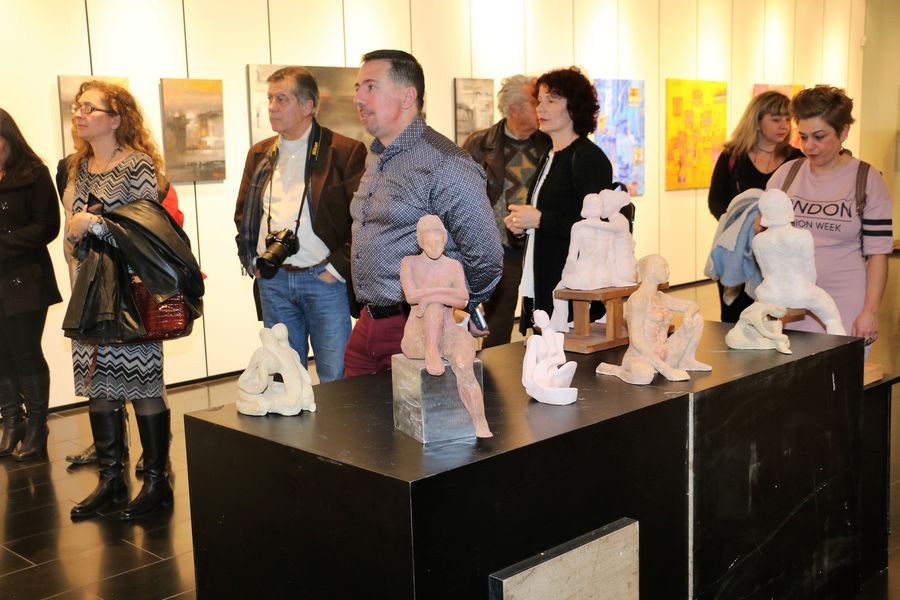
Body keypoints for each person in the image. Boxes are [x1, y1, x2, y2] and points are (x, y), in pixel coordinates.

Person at [345, 49, 503, 377]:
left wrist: (451, 310)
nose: (358, 98)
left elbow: (486, 257)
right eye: (358, 88)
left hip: (417, 329)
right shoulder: (376, 156)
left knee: (413, 414)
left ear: (408, 96)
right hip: (367, 325)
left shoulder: (447, 164)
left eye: (371, 87)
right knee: (352, 411)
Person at [64, 81, 175, 521]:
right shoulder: (78, 166)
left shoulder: (138, 165)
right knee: (98, 387)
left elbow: (147, 229)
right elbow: (70, 229)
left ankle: (157, 484)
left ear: (115, 119)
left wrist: (92, 225)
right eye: (78, 107)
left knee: (142, 385)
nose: (80, 113)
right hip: (90, 293)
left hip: (129, 292)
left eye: (90, 107)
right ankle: (111, 482)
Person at [235, 67, 367, 383]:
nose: (272, 107)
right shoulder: (260, 153)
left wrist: (337, 268)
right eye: (270, 99)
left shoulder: (343, 152)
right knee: (284, 378)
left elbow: (363, 220)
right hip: (273, 280)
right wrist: (253, 259)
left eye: (282, 99)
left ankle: (336, 422)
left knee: (335, 376)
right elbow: (244, 213)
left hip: (324, 280)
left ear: (308, 106)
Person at [766, 85, 893, 343]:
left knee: (841, 368)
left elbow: (878, 253)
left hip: (845, 304)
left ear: (843, 131)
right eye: (803, 137)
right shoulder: (786, 176)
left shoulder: (867, 180)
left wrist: (870, 312)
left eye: (819, 136)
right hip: (791, 306)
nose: (809, 146)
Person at [504, 67, 614, 335]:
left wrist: (540, 220)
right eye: (539, 100)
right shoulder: (550, 154)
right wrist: (523, 226)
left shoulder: (587, 158)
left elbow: (598, 228)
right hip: (547, 281)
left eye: (551, 100)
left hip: (573, 289)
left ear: (574, 107)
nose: (540, 108)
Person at [462, 75, 550, 347]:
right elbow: (462, 196)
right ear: (514, 108)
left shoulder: (548, 142)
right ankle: (493, 373)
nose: (541, 108)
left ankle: (547, 367)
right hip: (500, 250)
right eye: (534, 102)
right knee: (498, 324)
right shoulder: (480, 144)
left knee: (547, 319)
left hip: (540, 245)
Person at [707, 91, 804, 322]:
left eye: (787, 119)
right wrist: (743, 224)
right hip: (738, 252)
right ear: (757, 121)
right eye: (776, 119)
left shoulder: (796, 159)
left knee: (773, 318)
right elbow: (716, 200)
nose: (784, 125)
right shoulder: (733, 157)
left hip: (779, 254)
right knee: (735, 320)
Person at [0, 108, 62, 460]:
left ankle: (37, 427)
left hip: (25, 279)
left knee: (25, 351)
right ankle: (12, 423)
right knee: (1, 354)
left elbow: (47, 227)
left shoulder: (34, 172)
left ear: (7, 136)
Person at [399, 215, 491, 437]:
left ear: (445, 239)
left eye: (439, 241)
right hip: (418, 336)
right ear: (420, 241)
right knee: (434, 307)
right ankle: (431, 351)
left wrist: (430, 295)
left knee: (464, 364)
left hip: (448, 331)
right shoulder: (409, 263)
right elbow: (411, 296)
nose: (434, 246)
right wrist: (444, 295)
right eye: (429, 242)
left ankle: (479, 421)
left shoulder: (453, 265)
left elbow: (463, 300)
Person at [596, 255, 710, 385]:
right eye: (664, 267)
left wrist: (688, 315)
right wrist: (666, 370)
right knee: (644, 376)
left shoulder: (661, 297)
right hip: (642, 357)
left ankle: (687, 360)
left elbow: (692, 305)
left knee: (696, 318)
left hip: (666, 354)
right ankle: (617, 370)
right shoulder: (637, 300)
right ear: (651, 270)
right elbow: (637, 341)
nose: (668, 271)